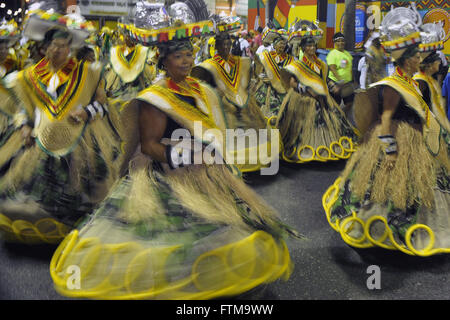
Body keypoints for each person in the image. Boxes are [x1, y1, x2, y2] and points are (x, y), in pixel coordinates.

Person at [50, 3, 298, 299]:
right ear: (163, 61)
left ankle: (206, 276)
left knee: (218, 226)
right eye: (178, 56)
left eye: (189, 54)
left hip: (202, 172)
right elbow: (150, 146)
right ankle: (174, 282)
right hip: (166, 175)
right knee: (169, 235)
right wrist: (186, 157)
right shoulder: (155, 98)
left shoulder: (197, 89)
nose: (186, 60)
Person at [323, 4, 450, 256]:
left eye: (419, 56)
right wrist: (390, 151)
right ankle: (383, 228)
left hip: (416, 140)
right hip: (397, 141)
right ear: (404, 58)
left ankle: (413, 224)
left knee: (412, 188)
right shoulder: (393, 86)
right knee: (384, 188)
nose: (419, 59)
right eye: (414, 56)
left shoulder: (412, 82)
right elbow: (385, 119)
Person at [0, 25, 122, 244]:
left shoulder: (88, 72)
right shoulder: (29, 76)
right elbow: (20, 108)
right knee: (38, 188)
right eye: (55, 46)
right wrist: (24, 126)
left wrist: (87, 112)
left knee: (84, 187)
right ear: (45, 48)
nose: (59, 51)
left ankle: (77, 224)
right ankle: (45, 224)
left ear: (70, 49)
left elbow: (103, 104)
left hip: (81, 140)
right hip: (41, 140)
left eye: (65, 46)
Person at [191, 29, 278, 173]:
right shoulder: (209, 65)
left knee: (253, 130)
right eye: (222, 45)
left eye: (228, 44)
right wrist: (216, 92)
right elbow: (202, 86)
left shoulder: (240, 62)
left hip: (243, 104)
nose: (226, 47)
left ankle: (254, 159)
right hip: (222, 106)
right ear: (217, 46)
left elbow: (249, 78)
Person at [279, 29, 357, 163]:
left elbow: (325, 79)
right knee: (304, 127)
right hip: (304, 100)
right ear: (303, 48)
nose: (312, 48)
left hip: (322, 98)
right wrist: (304, 89)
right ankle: (306, 148)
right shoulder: (298, 64)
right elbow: (292, 82)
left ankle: (323, 147)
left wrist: (333, 86)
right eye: (308, 46)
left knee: (329, 122)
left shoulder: (321, 64)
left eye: (313, 45)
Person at [253, 28, 293, 122]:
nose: (282, 46)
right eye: (280, 43)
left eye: (284, 44)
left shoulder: (289, 59)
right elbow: (259, 71)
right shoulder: (267, 56)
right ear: (274, 46)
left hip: (283, 88)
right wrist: (263, 78)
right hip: (267, 88)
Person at [326, 32, 354, 111]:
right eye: (338, 41)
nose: (341, 43)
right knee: (334, 105)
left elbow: (350, 68)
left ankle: (342, 116)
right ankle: (333, 119)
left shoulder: (347, 54)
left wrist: (352, 81)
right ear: (334, 42)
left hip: (347, 84)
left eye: (342, 41)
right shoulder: (332, 54)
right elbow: (332, 68)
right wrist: (339, 81)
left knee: (350, 103)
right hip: (336, 83)